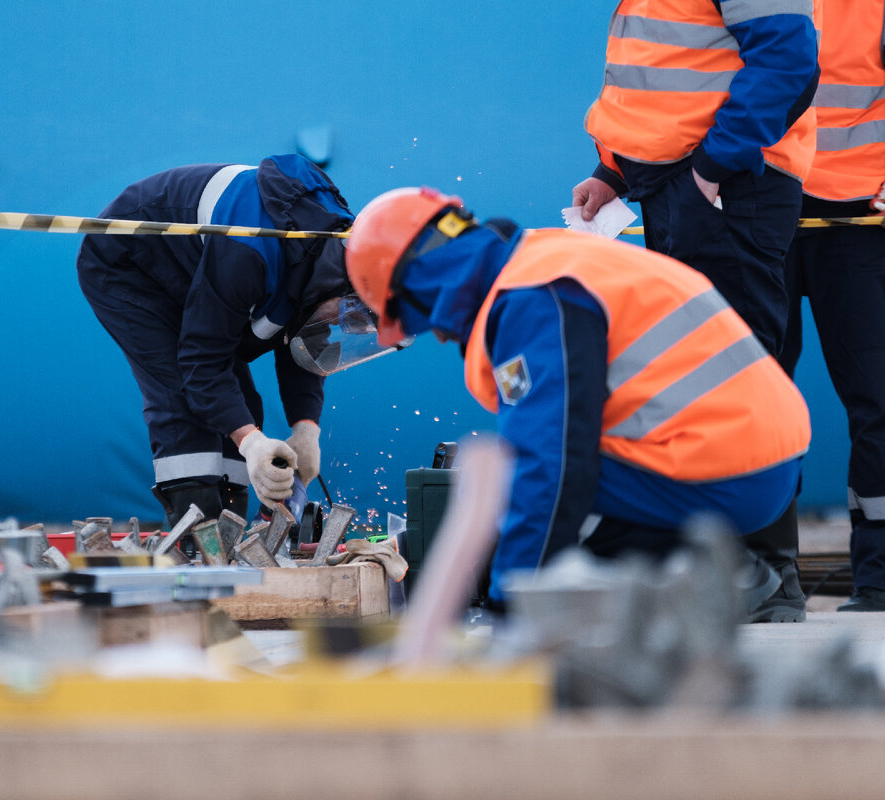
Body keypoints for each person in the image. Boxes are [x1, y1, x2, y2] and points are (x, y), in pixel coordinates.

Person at [345, 187, 811, 617]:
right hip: (757, 461)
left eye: (416, 319)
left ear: (418, 284)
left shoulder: (533, 299)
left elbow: (551, 459)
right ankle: (697, 570)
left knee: (522, 479)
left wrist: (513, 601)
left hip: (728, 476)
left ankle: (700, 575)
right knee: (535, 483)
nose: (440, 335)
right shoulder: (540, 261)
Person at [570, 0, 821, 622]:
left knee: (741, 379)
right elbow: (666, 78)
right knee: (694, 386)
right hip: (683, 187)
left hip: (726, 187)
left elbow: (789, 58)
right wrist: (615, 171)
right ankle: (723, 575)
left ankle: (769, 577)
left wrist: (715, 163)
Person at [75, 155, 355, 528]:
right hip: (129, 260)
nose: (342, 323)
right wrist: (253, 445)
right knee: (182, 400)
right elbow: (202, 363)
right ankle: (196, 544)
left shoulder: (327, 256)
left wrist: (306, 427)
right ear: (347, 282)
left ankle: (230, 534)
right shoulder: (253, 251)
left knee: (242, 410)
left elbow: (302, 342)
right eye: (352, 313)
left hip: (198, 273)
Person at [778, 1, 885, 612]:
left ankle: (879, 581)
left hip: (861, 224)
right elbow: (684, 83)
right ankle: (768, 578)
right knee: (757, 401)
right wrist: (612, 172)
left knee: (876, 401)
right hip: (764, 215)